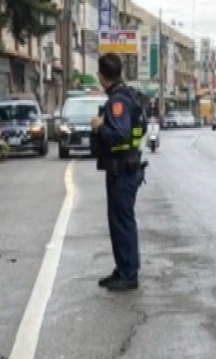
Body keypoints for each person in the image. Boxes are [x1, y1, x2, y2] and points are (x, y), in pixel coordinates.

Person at [90, 53, 146, 292]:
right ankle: (122, 268)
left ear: (102, 75)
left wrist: (99, 127)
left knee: (122, 222)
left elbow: (120, 133)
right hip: (124, 168)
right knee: (119, 221)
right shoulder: (124, 95)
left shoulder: (118, 100)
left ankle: (129, 273)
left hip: (122, 170)